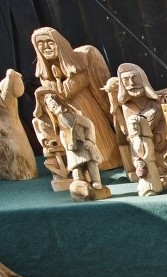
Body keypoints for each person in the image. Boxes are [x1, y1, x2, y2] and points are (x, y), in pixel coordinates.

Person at [31, 27, 122, 170]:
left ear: (59, 44)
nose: (46, 47)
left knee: (98, 140)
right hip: (67, 115)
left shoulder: (80, 61)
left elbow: (67, 92)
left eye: (49, 42)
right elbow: (55, 93)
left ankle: (108, 160)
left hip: (87, 109)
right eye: (40, 44)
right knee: (77, 144)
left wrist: (56, 81)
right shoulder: (45, 71)